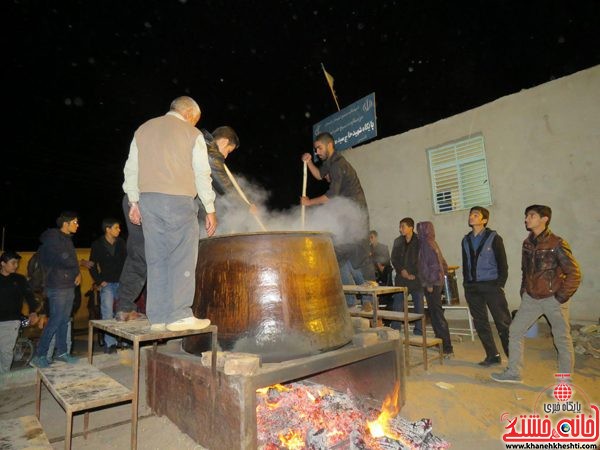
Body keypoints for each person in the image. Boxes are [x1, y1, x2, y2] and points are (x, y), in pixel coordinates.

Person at [122, 96, 217, 332]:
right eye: (195, 120)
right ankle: (179, 315)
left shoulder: (143, 129)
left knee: (157, 258)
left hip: (148, 202)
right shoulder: (192, 134)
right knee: (182, 257)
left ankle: (158, 318)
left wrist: (133, 202)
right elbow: (202, 174)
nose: (194, 124)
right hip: (178, 200)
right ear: (189, 115)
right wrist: (210, 207)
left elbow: (131, 169)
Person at [492, 205, 581, 383]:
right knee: (515, 331)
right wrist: (524, 291)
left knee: (561, 339)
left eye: (531, 215)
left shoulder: (557, 243)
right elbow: (526, 270)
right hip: (531, 298)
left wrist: (560, 297)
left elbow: (574, 273)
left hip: (553, 298)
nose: (527, 219)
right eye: (526, 216)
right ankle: (514, 372)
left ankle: (565, 382)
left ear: (544, 219)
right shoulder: (527, 243)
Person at [301, 132, 375, 305]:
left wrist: (309, 202)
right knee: (338, 253)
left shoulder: (339, 165)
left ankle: (369, 303)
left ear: (329, 145)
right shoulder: (329, 163)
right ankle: (350, 302)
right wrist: (308, 161)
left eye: (319, 148)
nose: (317, 152)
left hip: (356, 215)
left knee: (359, 255)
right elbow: (319, 175)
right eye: (315, 149)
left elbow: (331, 196)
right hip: (345, 215)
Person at [461, 206, 511, 366]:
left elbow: (503, 263)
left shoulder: (494, 238)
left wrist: (500, 284)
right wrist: (466, 283)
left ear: (484, 220)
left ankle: (513, 359)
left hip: (491, 286)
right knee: (480, 322)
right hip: (472, 287)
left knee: (502, 322)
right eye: (471, 215)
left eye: (476, 215)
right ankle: (492, 355)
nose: (472, 217)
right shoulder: (466, 240)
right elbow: (465, 263)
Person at [30, 211, 81, 368]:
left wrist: (77, 272)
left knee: (64, 321)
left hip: (67, 285)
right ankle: (39, 355)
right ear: (65, 224)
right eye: (74, 222)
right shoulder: (53, 238)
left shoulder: (67, 239)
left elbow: (69, 260)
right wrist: (76, 266)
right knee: (56, 320)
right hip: (56, 286)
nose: (77, 225)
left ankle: (62, 352)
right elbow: (61, 259)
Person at [89, 218, 127, 353]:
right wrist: (99, 281)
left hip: (121, 283)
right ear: (108, 229)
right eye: (116, 227)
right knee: (107, 312)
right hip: (107, 284)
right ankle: (110, 344)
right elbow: (92, 265)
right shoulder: (97, 245)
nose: (119, 230)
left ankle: (124, 340)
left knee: (122, 312)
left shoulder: (121, 243)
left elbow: (127, 262)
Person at [417, 221, 454, 357]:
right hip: (436, 282)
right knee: (435, 314)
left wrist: (430, 283)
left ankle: (447, 347)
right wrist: (441, 277)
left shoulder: (426, 244)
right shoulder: (432, 242)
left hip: (431, 284)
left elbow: (431, 266)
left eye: (419, 229)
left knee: (437, 316)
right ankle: (442, 344)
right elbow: (443, 263)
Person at [0, 251, 39, 373]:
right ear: (3, 263)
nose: (16, 265)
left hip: (11, 321)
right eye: (13, 263)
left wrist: (33, 312)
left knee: (6, 351)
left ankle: (3, 378)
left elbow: (30, 297)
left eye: (17, 262)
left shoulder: (19, 279)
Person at [390, 218, 424, 335]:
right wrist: (402, 271)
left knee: (418, 305)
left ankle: (419, 330)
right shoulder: (398, 241)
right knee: (398, 304)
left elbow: (422, 260)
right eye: (400, 227)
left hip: (416, 279)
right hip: (401, 278)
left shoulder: (420, 241)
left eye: (403, 226)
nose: (400, 229)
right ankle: (396, 329)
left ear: (411, 227)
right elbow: (394, 258)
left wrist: (413, 274)